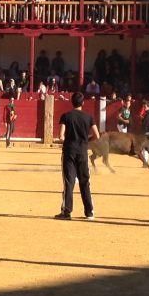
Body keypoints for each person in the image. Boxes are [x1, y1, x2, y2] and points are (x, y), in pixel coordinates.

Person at [56, 92, 99, 221]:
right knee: (85, 181)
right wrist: (86, 139)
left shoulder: (66, 116)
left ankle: (67, 211)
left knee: (69, 182)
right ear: (83, 103)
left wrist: (67, 140)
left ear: (71, 102)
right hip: (82, 152)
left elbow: (61, 136)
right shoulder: (88, 117)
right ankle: (89, 212)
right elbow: (97, 136)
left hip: (69, 151)